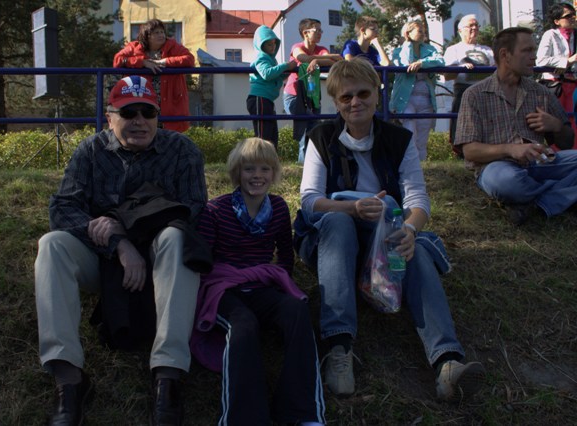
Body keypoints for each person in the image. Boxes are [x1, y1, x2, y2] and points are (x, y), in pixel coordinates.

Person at [294, 58, 485, 401]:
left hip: (384, 235)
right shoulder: (320, 137)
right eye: (346, 97)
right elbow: (309, 201)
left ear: (377, 94)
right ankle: (339, 348)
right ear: (336, 102)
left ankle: (447, 362)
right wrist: (351, 208)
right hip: (332, 242)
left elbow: (418, 200)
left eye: (363, 93)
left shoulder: (399, 139)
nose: (355, 102)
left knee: (414, 247)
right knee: (338, 221)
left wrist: (410, 229)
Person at [34, 75, 207, 426]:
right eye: (129, 113)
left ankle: (168, 373)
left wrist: (124, 224)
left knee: (178, 238)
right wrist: (119, 244)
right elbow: (62, 209)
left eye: (148, 112)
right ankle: (68, 378)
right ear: (109, 117)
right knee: (52, 245)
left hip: (160, 257)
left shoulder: (182, 150)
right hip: (102, 257)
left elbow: (194, 209)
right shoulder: (90, 151)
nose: (140, 121)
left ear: (158, 116)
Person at [190, 137, 325, 426]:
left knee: (296, 311)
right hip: (225, 290)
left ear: (274, 173)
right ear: (237, 172)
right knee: (244, 324)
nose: (257, 176)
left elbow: (285, 254)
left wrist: (279, 282)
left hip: (262, 286)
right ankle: (244, 419)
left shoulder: (278, 208)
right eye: (249, 169)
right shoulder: (216, 210)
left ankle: (302, 412)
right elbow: (203, 260)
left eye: (265, 169)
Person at [455, 27, 577, 225]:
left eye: (533, 50)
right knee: (507, 182)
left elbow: (567, 142)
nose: (534, 56)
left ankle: (536, 203)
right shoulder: (475, 95)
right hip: (497, 167)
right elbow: (470, 151)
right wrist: (511, 149)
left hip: (540, 163)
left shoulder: (541, 92)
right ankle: (560, 197)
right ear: (505, 55)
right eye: (527, 50)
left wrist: (556, 126)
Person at [113, 19, 195, 133]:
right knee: (144, 133)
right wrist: (142, 62)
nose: (161, 35)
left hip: (170, 102)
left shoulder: (173, 46)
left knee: (169, 137)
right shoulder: (134, 47)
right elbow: (118, 60)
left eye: (162, 32)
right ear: (147, 35)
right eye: (156, 33)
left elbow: (190, 59)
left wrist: (165, 62)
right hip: (144, 100)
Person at [282, 18, 342, 163]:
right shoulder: (297, 46)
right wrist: (328, 57)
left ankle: (312, 163)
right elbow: (302, 57)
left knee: (314, 129)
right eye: (317, 30)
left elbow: (332, 61)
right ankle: (304, 164)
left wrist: (315, 60)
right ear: (305, 33)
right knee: (305, 128)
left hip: (312, 95)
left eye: (321, 30)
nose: (320, 33)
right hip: (295, 95)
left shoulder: (321, 49)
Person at [390, 20, 444, 161]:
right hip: (405, 99)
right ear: (408, 33)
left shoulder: (430, 49)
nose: (423, 34)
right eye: (420, 31)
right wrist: (408, 44)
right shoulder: (398, 51)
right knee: (410, 133)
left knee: (422, 138)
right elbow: (405, 63)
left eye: (424, 31)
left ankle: (422, 167)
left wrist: (422, 63)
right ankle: (409, 164)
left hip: (426, 99)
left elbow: (440, 61)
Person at [443, 14, 495, 156]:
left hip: (485, 90)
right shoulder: (453, 50)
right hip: (463, 90)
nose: (474, 28)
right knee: (461, 122)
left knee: (485, 123)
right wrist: (461, 68)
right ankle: (461, 152)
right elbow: (447, 75)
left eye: (476, 25)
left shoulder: (487, 50)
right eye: (470, 26)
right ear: (460, 30)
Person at [247, 26, 296, 150]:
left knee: (271, 134)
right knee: (263, 135)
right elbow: (267, 74)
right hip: (259, 98)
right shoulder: (261, 57)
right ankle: (260, 157)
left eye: (274, 44)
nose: (273, 47)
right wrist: (285, 66)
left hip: (266, 99)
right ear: (261, 45)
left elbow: (275, 76)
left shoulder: (271, 60)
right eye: (269, 44)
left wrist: (288, 71)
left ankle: (269, 157)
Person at [536, 3, 577, 149]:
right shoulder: (550, 35)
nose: (573, 18)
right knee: (559, 121)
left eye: (574, 15)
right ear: (557, 21)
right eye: (568, 16)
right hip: (556, 86)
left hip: (573, 86)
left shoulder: (575, 35)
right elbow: (541, 60)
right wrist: (568, 61)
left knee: (573, 120)